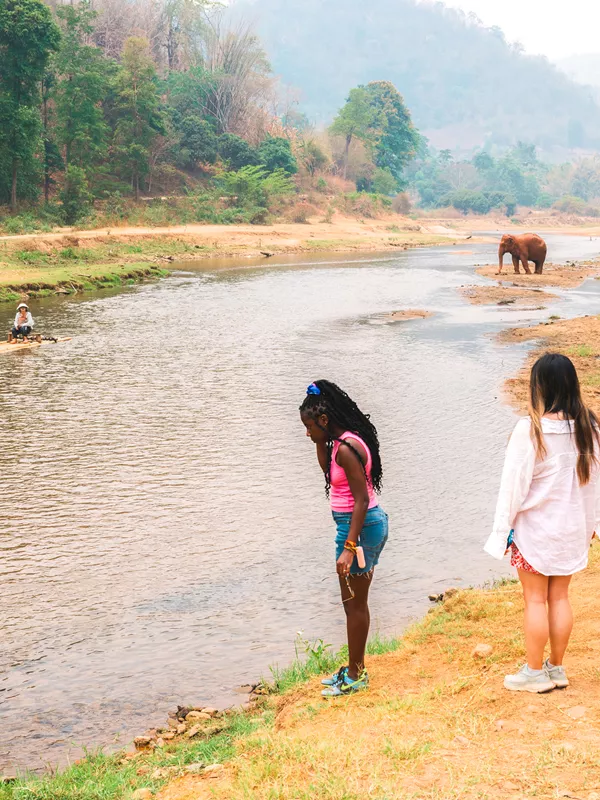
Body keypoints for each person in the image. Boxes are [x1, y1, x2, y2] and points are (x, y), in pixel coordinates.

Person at [485, 353, 600, 693]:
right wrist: (592, 524)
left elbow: (513, 487)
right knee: (560, 597)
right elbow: (595, 483)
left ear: (539, 387)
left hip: (535, 532)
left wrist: (501, 531)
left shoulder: (531, 429)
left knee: (535, 600)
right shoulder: (590, 428)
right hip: (572, 530)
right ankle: (557, 668)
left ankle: (534, 673)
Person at [300, 380, 388, 697]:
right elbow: (327, 470)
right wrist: (319, 439)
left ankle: (356, 675)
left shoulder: (348, 449)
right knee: (354, 602)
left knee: (354, 604)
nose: (307, 433)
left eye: (309, 427)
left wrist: (349, 548)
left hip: (359, 528)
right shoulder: (339, 442)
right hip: (357, 526)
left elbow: (361, 499)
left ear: (324, 420)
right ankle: (354, 669)